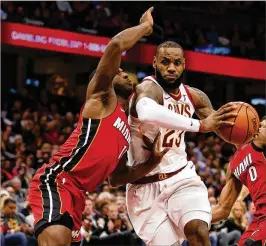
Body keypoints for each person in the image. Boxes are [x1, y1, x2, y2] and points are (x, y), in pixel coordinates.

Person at [28, 7, 167, 246]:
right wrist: (146, 28)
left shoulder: (127, 126)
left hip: (79, 194)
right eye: (119, 71)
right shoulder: (102, 97)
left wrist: (152, 162)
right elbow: (115, 46)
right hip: (58, 180)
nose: (123, 74)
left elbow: (117, 178)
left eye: (125, 73)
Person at [122, 39, 237, 246]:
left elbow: (223, 129)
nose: (171, 68)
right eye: (165, 62)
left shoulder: (195, 97)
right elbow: (148, 112)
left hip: (182, 177)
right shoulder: (147, 89)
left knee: (198, 231)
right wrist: (199, 125)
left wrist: (247, 141)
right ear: (155, 62)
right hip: (145, 187)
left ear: (184, 64)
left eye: (177, 62)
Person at [212, 117, 266, 246]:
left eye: (264, 126)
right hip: (259, 218)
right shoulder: (234, 165)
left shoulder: (261, 147)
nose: (260, 128)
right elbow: (222, 209)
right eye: (260, 125)